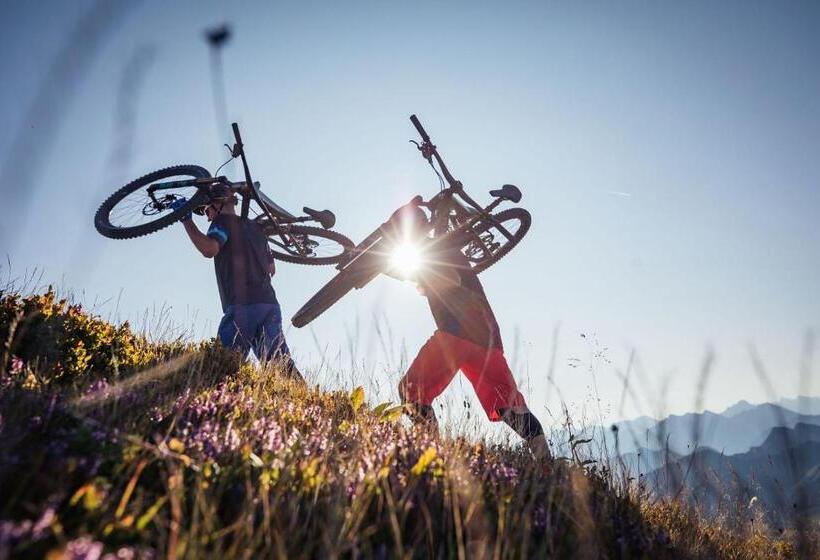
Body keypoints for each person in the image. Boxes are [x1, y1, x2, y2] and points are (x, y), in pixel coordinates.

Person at [393, 206, 550, 460]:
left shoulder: (430, 250)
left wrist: (417, 274)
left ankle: (432, 457)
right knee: (510, 407)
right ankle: (547, 465)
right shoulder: (441, 247)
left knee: (411, 392)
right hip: (487, 338)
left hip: (455, 334)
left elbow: (449, 280)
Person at [171, 187, 303, 381]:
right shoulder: (256, 228)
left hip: (243, 306)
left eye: (207, 211)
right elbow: (271, 269)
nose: (208, 217)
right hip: (269, 304)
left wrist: (186, 220)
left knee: (222, 362)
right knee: (280, 365)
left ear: (217, 204)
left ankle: (210, 400)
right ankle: (311, 405)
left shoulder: (222, 223)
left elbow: (209, 249)